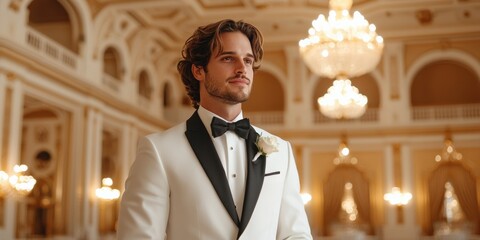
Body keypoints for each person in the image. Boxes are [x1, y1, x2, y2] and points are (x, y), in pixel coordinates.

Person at [117, 19, 312, 240]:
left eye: (248, 61)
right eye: (228, 58)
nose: (242, 69)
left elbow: (296, 235)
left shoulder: (282, 152)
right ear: (199, 70)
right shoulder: (159, 150)